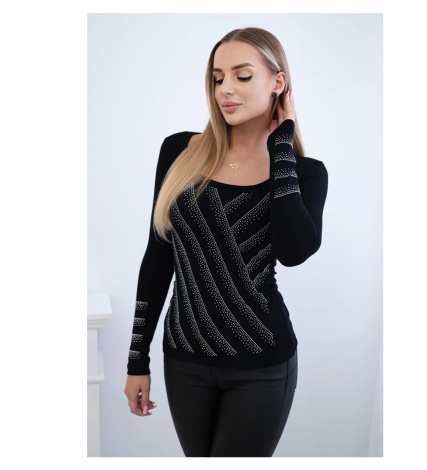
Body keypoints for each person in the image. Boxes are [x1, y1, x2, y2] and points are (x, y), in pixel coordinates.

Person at [124, 26, 328, 457]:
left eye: (242, 76)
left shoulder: (304, 173)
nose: (225, 90)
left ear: (277, 82)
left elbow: (294, 253)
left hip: (261, 366)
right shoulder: (180, 152)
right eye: (218, 78)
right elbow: (158, 258)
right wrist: (136, 360)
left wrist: (281, 147)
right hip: (184, 360)